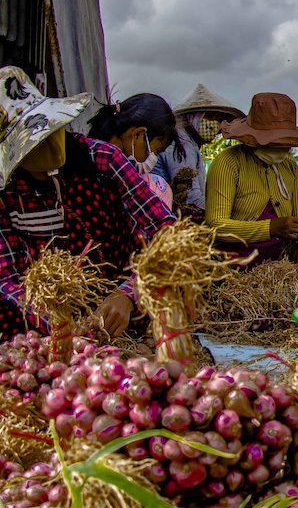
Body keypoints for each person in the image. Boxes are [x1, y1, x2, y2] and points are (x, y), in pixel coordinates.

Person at [0, 66, 176, 340]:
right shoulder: (6, 193)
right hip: (41, 320)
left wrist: (130, 293)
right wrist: (56, 322)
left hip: (117, 309)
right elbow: (6, 278)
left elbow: (165, 230)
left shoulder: (103, 159)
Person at [205, 93, 298, 265]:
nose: (280, 149)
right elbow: (217, 226)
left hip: (282, 265)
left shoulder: (289, 167)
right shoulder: (228, 163)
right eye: (273, 143)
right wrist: (271, 228)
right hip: (236, 264)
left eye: (283, 144)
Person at [153, 84, 244, 210]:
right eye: (209, 116)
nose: (214, 123)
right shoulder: (181, 143)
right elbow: (189, 197)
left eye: (217, 119)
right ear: (194, 116)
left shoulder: (190, 143)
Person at [87, 93, 180, 208]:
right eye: (156, 151)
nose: (153, 158)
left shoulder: (89, 154)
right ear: (137, 135)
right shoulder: (110, 173)